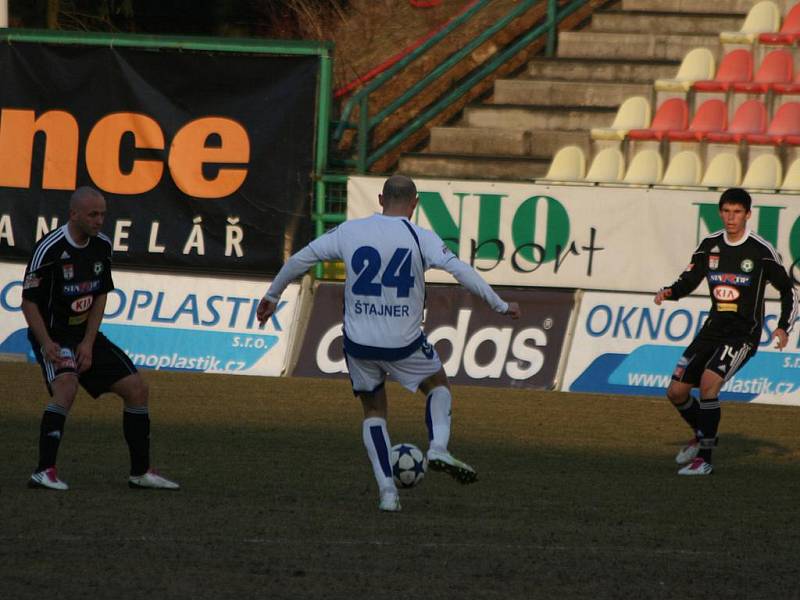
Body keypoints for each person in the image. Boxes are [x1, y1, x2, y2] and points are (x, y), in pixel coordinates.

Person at [257, 174, 520, 511]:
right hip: (403, 343)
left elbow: (299, 260)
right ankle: (438, 446)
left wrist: (272, 295)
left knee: (374, 411)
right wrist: (500, 304)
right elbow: (461, 270)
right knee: (438, 385)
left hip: (358, 343)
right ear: (414, 204)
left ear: (380, 199)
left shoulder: (349, 231)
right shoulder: (420, 236)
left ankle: (387, 494)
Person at [22, 186, 179, 491]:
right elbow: (28, 302)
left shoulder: (102, 246)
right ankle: (44, 471)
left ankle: (141, 473)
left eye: (103, 214)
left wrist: (89, 342)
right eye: (93, 214)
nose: (99, 220)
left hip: (84, 335)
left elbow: (100, 296)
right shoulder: (49, 249)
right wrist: (46, 343)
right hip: (53, 334)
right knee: (66, 388)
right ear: (74, 214)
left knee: (136, 389)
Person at [654, 187, 797, 476]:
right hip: (712, 329)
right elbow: (690, 278)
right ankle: (701, 434)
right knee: (676, 391)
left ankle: (704, 460)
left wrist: (783, 327)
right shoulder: (709, 245)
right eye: (727, 211)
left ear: (748, 214)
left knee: (708, 385)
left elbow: (789, 291)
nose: (731, 218)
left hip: (743, 334)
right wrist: (671, 292)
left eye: (737, 212)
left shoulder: (761, 251)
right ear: (720, 213)